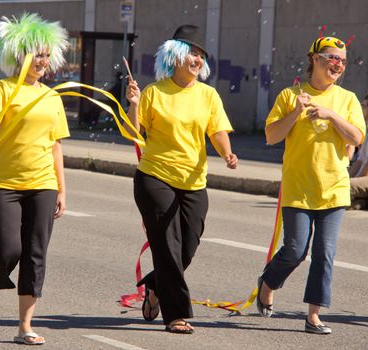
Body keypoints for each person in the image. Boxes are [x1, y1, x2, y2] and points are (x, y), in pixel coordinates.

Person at [125, 24, 237, 334]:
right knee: (168, 247)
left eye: (201, 55)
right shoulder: (154, 92)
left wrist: (227, 153)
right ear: (175, 56)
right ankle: (176, 315)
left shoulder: (208, 95)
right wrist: (134, 105)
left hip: (194, 181)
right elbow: (136, 132)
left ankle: (155, 285)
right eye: (192, 52)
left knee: (188, 245)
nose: (197, 59)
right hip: (155, 178)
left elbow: (217, 130)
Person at [0, 13, 69, 345]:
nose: (41, 61)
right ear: (18, 55)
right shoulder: (2, 89)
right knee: (7, 249)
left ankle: (25, 326)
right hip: (5, 183)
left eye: (44, 55)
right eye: (35, 53)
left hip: (43, 183)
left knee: (36, 253)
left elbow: (55, 146)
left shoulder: (52, 97)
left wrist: (61, 189)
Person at [256, 36, 366, 334]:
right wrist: (296, 113)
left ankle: (314, 315)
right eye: (331, 58)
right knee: (294, 250)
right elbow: (271, 136)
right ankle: (267, 284)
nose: (337, 65)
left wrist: (331, 116)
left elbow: (357, 138)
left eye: (342, 61)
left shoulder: (347, 100)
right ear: (314, 60)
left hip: (334, 188)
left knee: (324, 253)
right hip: (298, 187)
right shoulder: (290, 95)